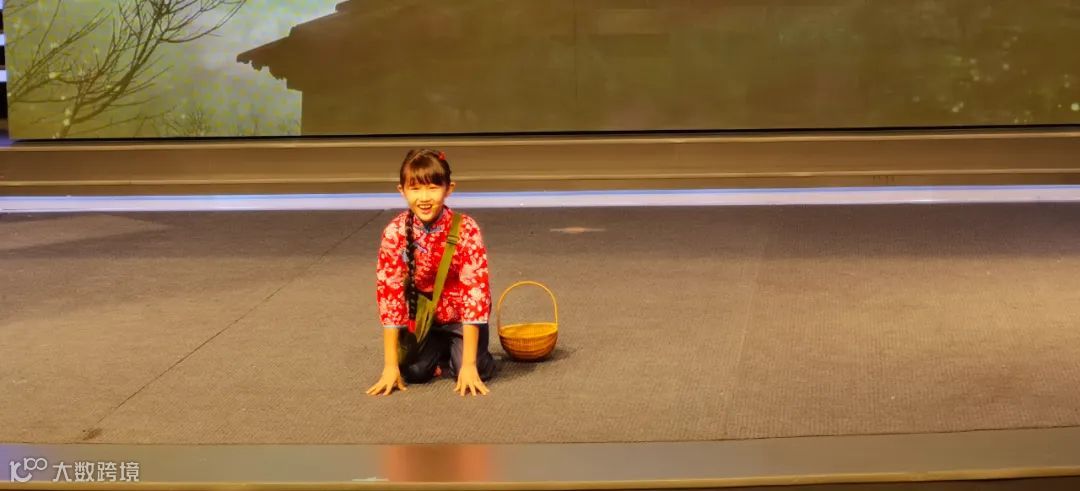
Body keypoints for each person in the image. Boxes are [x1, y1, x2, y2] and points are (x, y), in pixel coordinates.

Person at [366, 149, 497, 397]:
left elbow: (475, 294)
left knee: (473, 370)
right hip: (425, 319)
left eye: (433, 188)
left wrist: (469, 365)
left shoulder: (467, 229)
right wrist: (390, 367)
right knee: (414, 372)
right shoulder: (394, 233)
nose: (424, 197)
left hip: (461, 319)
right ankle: (443, 351)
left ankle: (466, 354)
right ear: (402, 190)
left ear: (449, 189)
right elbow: (390, 297)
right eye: (415, 189)